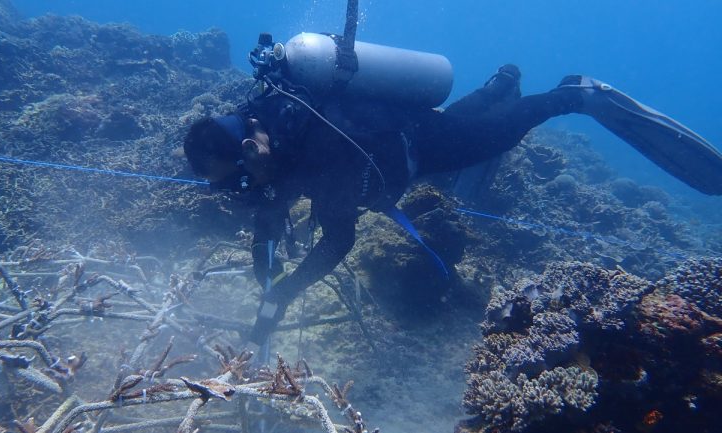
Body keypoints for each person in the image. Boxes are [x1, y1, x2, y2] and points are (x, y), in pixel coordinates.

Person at [183, 62, 722, 348]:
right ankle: (500, 82)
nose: (238, 190)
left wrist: (285, 292)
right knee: (464, 122)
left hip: (418, 144)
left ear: (246, 149)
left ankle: (574, 94)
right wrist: (266, 281)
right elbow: (269, 210)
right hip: (395, 137)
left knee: (499, 135)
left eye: (233, 179)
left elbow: (340, 238)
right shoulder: (267, 123)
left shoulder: (317, 150)